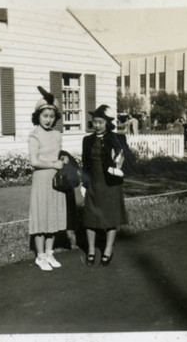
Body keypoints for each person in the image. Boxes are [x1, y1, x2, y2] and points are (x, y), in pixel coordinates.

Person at [81, 104, 130, 267]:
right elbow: (85, 163)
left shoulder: (117, 138)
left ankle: (108, 250)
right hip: (93, 183)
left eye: (100, 122)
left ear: (107, 123)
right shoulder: (87, 140)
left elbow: (126, 159)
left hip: (111, 183)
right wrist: (84, 182)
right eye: (94, 122)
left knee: (110, 216)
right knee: (90, 217)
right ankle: (91, 251)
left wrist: (119, 168)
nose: (97, 125)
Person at [28, 86, 67, 271]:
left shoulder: (57, 134)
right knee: (41, 216)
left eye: (52, 116)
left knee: (53, 215)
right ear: (38, 116)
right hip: (41, 181)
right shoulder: (34, 135)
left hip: (56, 181)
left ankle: (50, 253)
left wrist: (63, 159)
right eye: (45, 116)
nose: (48, 120)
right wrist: (53, 164)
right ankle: (40, 256)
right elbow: (34, 161)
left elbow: (56, 156)